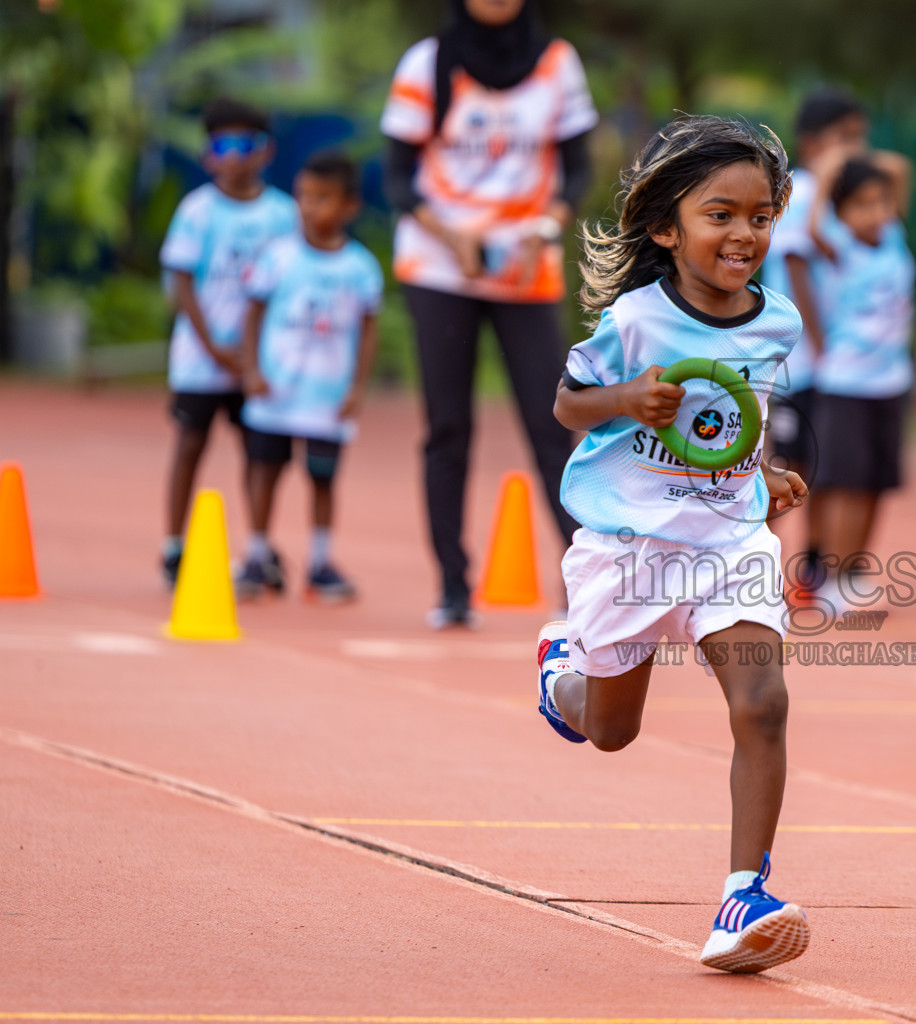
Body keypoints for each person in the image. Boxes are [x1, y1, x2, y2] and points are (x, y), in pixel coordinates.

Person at [535, 116, 809, 973]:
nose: (744, 234)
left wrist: (762, 474)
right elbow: (567, 408)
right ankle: (562, 671)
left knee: (761, 703)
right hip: (630, 542)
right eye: (720, 214)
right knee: (611, 732)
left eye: (760, 216)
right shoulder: (636, 319)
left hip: (728, 541)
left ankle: (743, 897)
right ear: (667, 227)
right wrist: (625, 399)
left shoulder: (779, 323)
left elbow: (738, 416)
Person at [380, 0, 598, 628]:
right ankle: (452, 584)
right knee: (447, 426)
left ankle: (584, 578)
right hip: (441, 265)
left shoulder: (558, 64)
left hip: (527, 268)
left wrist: (542, 230)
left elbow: (577, 170)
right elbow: (397, 179)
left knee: (554, 419)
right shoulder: (427, 63)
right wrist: (451, 238)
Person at [158, 98, 297, 588]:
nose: (235, 155)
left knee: (260, 455)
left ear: (267, 152)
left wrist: (258, 354)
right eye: (224, 145)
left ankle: (258, 549)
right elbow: (182, 284)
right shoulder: (196, 210)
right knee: (190, 445)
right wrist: (215, 347)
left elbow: (291, 283)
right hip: (201, 362)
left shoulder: (284, 214)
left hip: (259, 364)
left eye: (247, 145)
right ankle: (174, 547)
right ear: (207, 154)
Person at [234, 152, 382, 604]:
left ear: (349, 206)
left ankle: (320, 563)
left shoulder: (359, 267)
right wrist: (251, 370)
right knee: (264, 471)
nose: (309, 207)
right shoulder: (277, 258)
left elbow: (369, 327)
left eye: (322, 198)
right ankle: (257, 555)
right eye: (303, 196)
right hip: (276, 391)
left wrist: (357, 386)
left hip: (326, 397)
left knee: (322, 478)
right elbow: (254, 315)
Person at [757, 88, 869, 577]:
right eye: (845, 137)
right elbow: (797, 267)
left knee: (820, 468)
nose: (856, 148)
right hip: (798, 360)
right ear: (811, 141)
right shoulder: (799, 192)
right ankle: (759, 560)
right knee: (783, 462)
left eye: (860, 137)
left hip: (832, 363)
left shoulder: (843, 199)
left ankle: (815, 563)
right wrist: (821, 346)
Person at [806, 154, 914, 613]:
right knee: (845, 484)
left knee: (874, 484)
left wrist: (868, 159)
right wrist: (830, 172)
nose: (874, 213)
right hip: (846, 382)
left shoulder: (894, 239)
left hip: (890, 383)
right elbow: (813, 226)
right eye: (861, 204)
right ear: (841, 213)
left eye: (881, 202)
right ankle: (830, 580)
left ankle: (854, 573)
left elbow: (901, 172)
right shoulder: (839, 247)